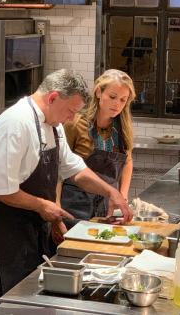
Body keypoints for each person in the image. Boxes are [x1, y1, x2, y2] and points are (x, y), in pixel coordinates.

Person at [0, 69, 132, 307]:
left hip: (30, 229)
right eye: (70, 111)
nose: (71, 119)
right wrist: (42, 205)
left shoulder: (53, 126)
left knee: (32, 304)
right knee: (11, 307)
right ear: (53, 97)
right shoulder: (14, 124)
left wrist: (111, 192)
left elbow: (75, 169)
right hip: (3, 233)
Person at [54, 69, 136, 236]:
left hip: (107, 208)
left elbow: (127, 161)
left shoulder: (122, 128)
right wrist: (56, 214)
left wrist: (122, 197)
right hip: (75, 207)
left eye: (123, 100)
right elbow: (57, 169)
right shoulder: (75, 123)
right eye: (113, 97)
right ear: (99, 92)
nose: (117, 104)